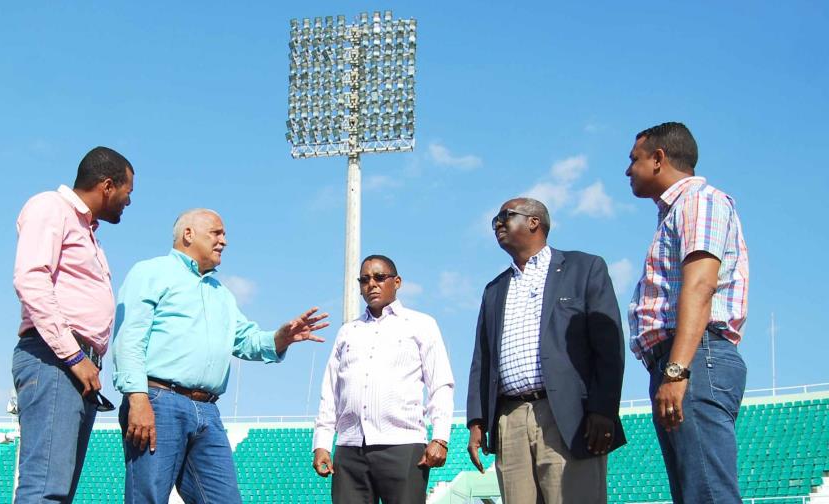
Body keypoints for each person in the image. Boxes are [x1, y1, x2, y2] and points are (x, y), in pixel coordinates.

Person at [112, 208, 329, 503]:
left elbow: (246, 340)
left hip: (208, 410)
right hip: (159, 400)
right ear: (188, 234)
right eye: (217, 232)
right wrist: (137, 397)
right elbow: (130, 336)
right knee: (147, 497)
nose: (224, 241)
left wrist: (282, 338)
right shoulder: (151, 272)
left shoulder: (221, 294)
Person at [466, 197, 625, 504]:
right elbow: (482, 359)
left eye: (505, 216)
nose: (497, 224)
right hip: (509, 417)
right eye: (495, 220)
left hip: (568, 415)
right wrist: (477, 421)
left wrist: (603, 409)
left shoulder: (584, 268)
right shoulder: (494, 289)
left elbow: (608, 344)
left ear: (534, 222)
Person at [626, 122, 749, 503]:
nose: (628, 170)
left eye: (635, 159)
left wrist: (678, 370)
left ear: (659, 159)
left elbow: (700, 285)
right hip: (684, 359)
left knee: (707, 493)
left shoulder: (698, 201)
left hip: (695, 357)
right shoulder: (677, 210)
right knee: (695, 493)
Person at [12, 146, 134, 503]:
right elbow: (31, 279)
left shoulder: (88, 232)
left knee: (59, 492)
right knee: (46, 488)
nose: (129, 201)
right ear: (107, 185)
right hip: (56, 358)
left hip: (77, 365)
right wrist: (73, 356)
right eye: (128, 191)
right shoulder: (51, 207)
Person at [312, 254, 455, 504]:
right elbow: (331, 391)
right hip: (350, 447)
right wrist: (322, 443)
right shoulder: (348, 332)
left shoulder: (421, 324)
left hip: (402, 445)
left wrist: (440, 438)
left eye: (379, 277)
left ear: (397, 282)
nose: (372, 284)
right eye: (364, 279)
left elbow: (440, 384)